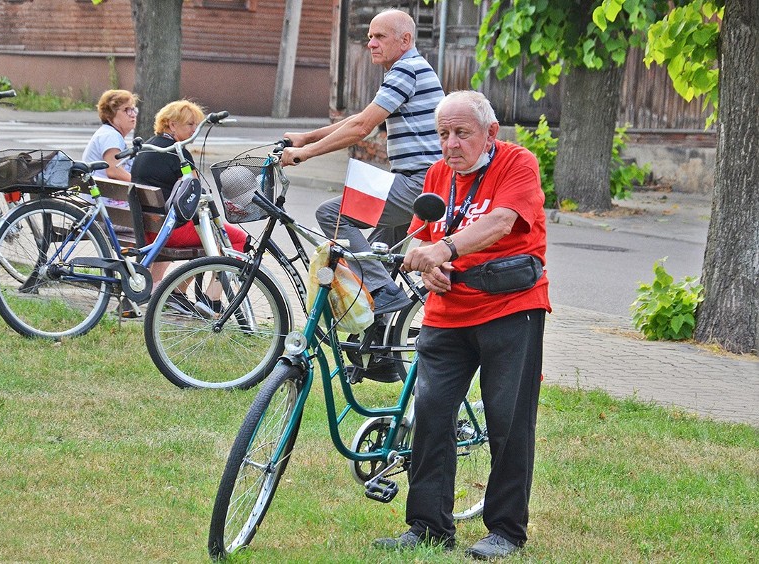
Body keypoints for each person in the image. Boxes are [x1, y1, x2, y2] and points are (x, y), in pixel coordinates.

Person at [374, 90, 551, 559]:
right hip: (447, 312)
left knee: (508, 421)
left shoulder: (517, 163)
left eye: (461, 133)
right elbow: (425, 236)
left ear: (490, 133)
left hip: (510, 307)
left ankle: (506, 531)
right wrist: (428, 265)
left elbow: (500, 221)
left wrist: (446, 250)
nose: (450, 144)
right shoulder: (439, 175)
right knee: (431, 415)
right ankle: (429, 526)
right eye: (443, 134)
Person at [280, 8, 444, 318]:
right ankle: (380, 341)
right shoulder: (408, 68)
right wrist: (307, 138)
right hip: (420, 181)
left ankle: (384, 292)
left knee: (332, 214)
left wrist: (307, 154)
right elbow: (360, 118)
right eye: (369, 37)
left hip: (418, 183)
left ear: (405, 39)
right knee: (373, 260)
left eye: (380, 36)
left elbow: (360, 129)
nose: (371, 43)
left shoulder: (405, 70)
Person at [130, 99, 247, 316]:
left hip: (148, 229)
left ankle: (174, 292)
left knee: (205, 235)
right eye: (190, 124)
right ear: (172, 125)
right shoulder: (178, 154)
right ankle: (212, 298)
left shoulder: (146, 148)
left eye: (196, 124)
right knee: (236, 238)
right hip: (170, 232)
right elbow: (196, 194)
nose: (195, 130)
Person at [82, 89, 138, 182]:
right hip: (102, 195)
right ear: (110, 115)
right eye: (126, 110)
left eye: (133, 109)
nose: (133, 115)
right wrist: (139, 184)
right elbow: (113, 170)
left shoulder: (108, 132)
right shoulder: (111, 135)